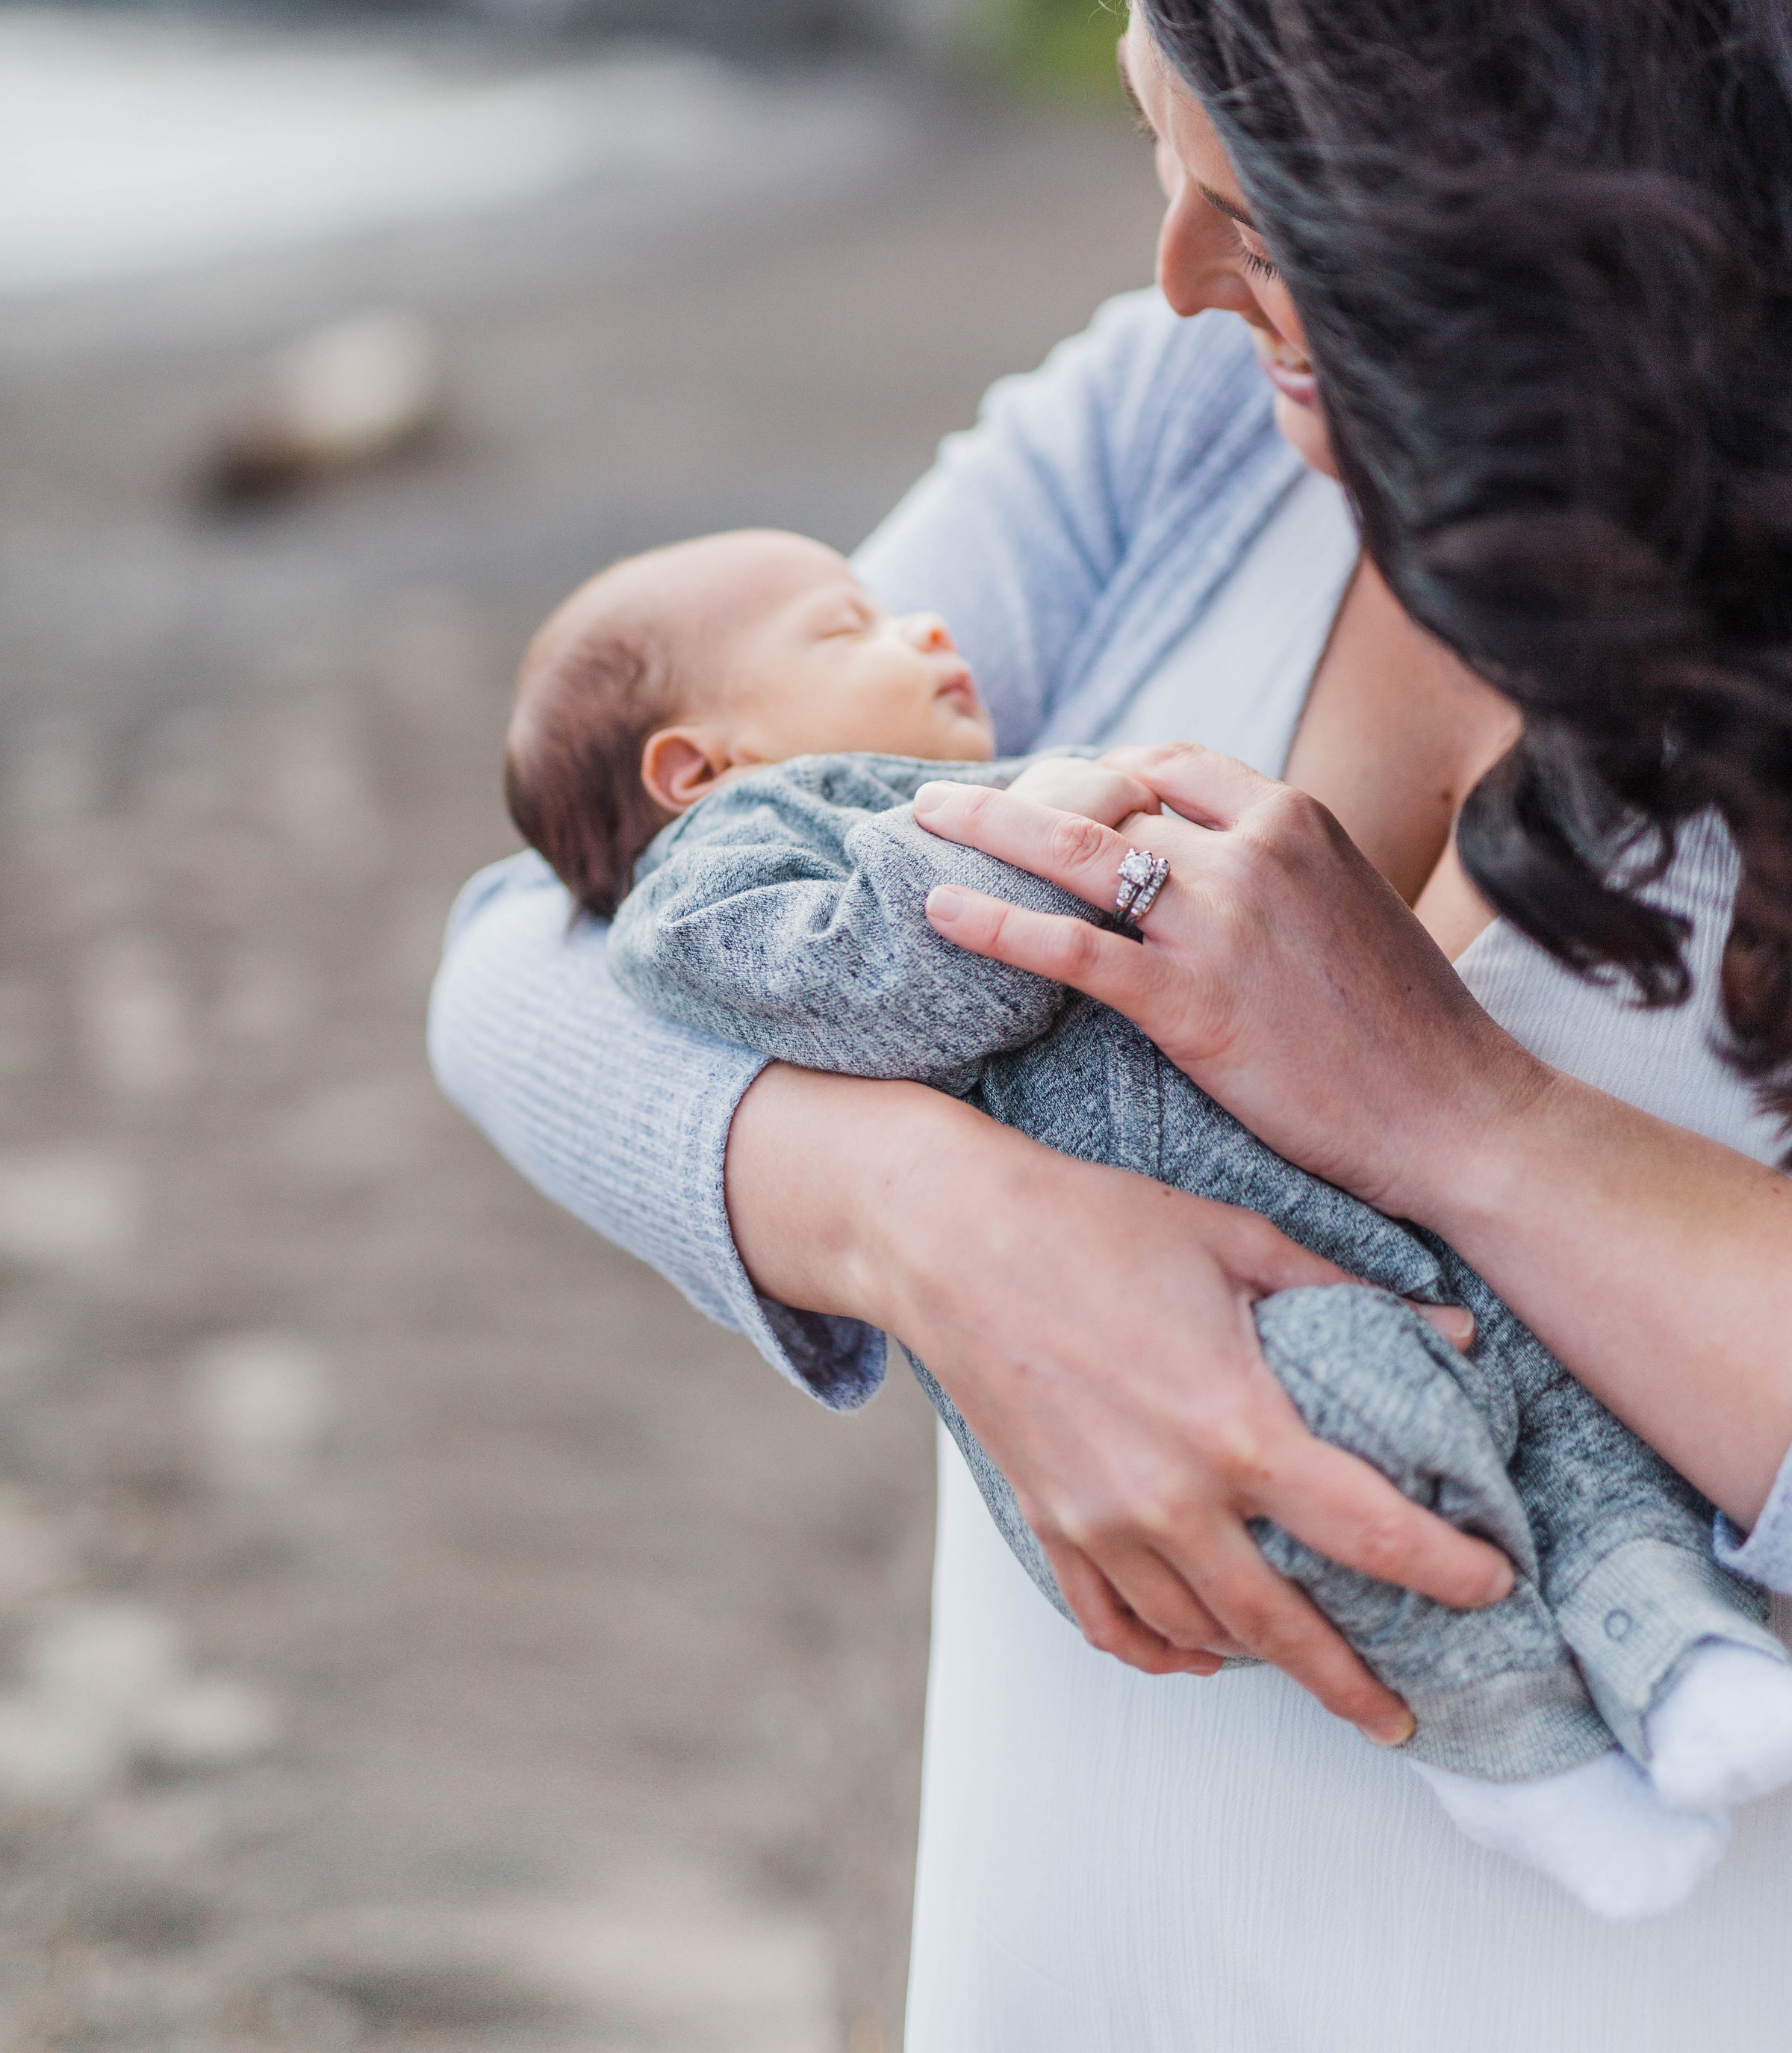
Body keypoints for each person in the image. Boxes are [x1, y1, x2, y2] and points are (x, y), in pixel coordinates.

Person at [430, 0, 1792, 2046]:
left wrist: (1458, 1116)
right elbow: (544, 948)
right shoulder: (1191, 429)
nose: (1170, 267)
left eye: (1244, 190)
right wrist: (942, 1232)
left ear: (1518, 191)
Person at [497, 521, 1791, 1915]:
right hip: (1260, 1323)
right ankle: (1521, 1752)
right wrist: (928, 1211)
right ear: (698, 767)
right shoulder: (744, 863)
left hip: (1376, 1245)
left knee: (1562, 1417)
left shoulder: (956, 784)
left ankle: (1679, 1652)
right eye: (847, 629)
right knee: (1370, 1473)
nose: (929, 632)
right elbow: (807, 977)